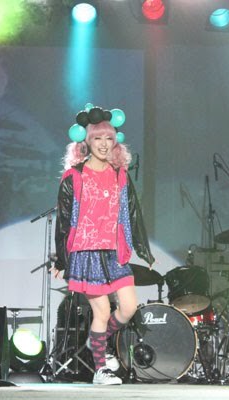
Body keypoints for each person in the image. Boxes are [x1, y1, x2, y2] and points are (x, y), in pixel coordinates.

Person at [51, 105, 155, 385]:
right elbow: (63, 221)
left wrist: (143, 249)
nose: (104, 144)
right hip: (86, 252)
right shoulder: (74, 176)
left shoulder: (120, 174)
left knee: (129, 308)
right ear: (87, 142)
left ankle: (96, 341)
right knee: (102, 311)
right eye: (98, 138)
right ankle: (101, 369)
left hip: (114, 252)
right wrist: (61, 259)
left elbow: (133, 213)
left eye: (109, 138)